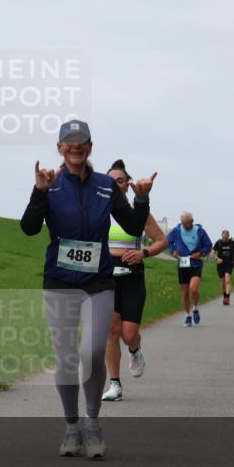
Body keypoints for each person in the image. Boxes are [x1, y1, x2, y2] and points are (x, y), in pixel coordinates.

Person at [21, 121, 155, 458]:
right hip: (60, 280)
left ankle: (92, 423)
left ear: (90, 147)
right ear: (60, 148)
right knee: (66, 358)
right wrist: (38, 192)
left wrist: (141, 200)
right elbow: (29, 228)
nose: (75, 147)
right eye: (69, 142)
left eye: (81, 142)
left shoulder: (106, 187)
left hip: (98, 281)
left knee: (91, 352)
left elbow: (132, 226)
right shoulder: (49, 184)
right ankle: (71, 426)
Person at [100, 160, 167, 402]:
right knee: (110, 329)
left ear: (128, 186)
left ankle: (135, 350)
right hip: (105, 274)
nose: (114, 185)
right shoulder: (98, 210)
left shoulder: (139, 214)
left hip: (132, 274)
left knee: (128, 334)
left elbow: (161, 240)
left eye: (119, 181)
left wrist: (143, 253)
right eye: (109, 181)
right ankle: (115, 384)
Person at [166, 213, 212, 326]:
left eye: (187, 223)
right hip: (182, 263)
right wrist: (173, 251)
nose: (186, 226)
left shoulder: (200, 231)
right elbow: (168, 241)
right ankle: (187, 316)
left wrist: (201, 253)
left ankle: (195, 308)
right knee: (185, 292)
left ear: (192, 221)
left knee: (193, 289)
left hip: (196, 264)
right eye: (183, 223)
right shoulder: (176, 230)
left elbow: (208, 245)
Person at [212, 230, 234, 306]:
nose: (225, 238)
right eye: (223, 237)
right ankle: (224, 296)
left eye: (226, 237)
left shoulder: (232, 243)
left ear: (228, 236)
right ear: (221, 236)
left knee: (227, 280)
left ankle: (227, 298)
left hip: (229, 263)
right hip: (220, 264)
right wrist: (217, 259)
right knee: (223, 281)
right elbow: (212, 253)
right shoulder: (218, 243)